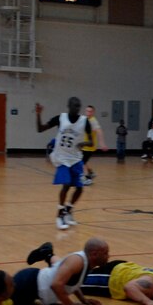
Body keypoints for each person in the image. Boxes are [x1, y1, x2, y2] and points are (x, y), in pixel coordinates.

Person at [36, 98, 92, 230]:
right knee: (66, 184)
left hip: (76, 158)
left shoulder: (85, 122)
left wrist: (84, 143)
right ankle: (59, 215)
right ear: (68, 106)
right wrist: (38, 114)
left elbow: (91, 142)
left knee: (79, 188)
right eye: (74, 106)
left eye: (78, 106)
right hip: (61, 158)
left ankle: (68, 210)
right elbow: (40, 129)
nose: (76, 108)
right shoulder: (61, 118)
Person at [82, 105, 109, 185]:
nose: (88, 113)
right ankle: (91, 173)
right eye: (87, 111)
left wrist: (102, 143)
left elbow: (99, 131)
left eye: (90, 111)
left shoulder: (93, 121)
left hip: (89, 147)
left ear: (93, 112)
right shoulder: (85, 119)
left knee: (81, 162)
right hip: (84, 145)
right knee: (82, 160)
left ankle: (85, 179)